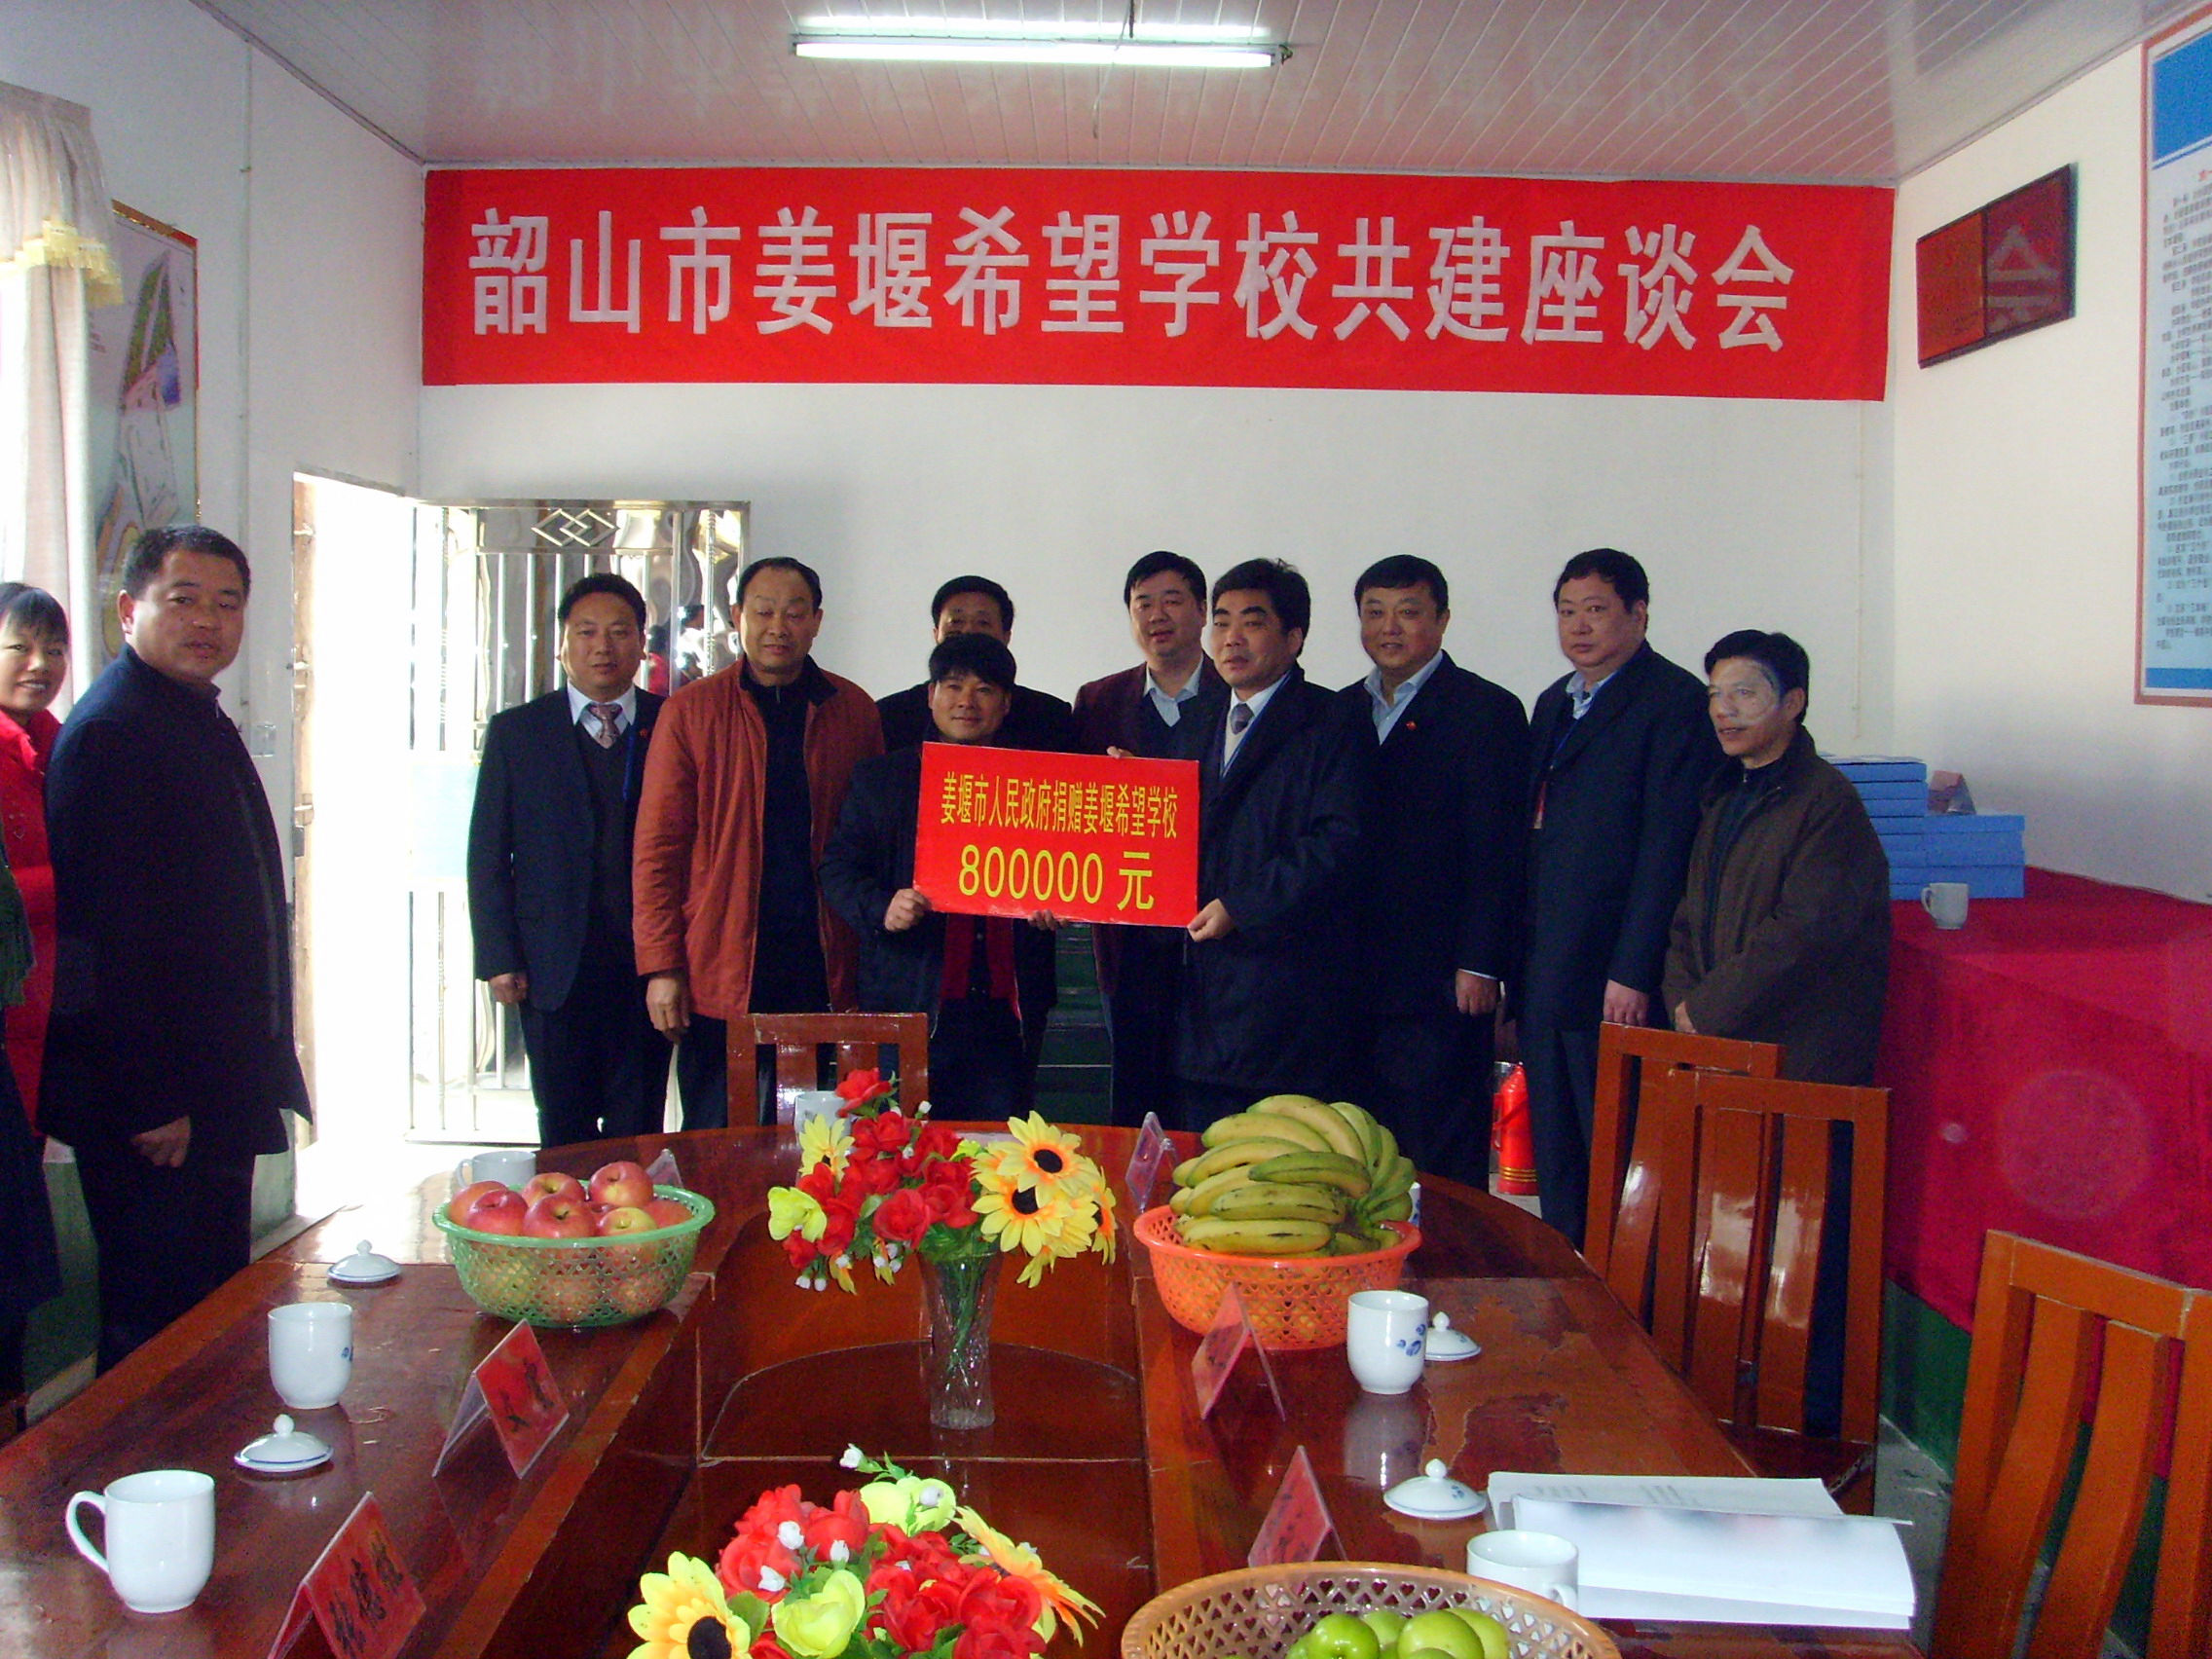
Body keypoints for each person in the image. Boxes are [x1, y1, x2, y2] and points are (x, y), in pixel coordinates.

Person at [44, 525, 311, 1371]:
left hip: (211, 1086)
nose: (209, 621)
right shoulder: (114, 732)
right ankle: (135, 1459)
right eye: (184, 599)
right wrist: (149, 1098)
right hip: (160, 1108)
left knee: (204, 1317)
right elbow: (104, 942)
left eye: (227, 603)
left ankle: (204, 1454)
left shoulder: (185, 712)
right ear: (130, 610)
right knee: (155, 1328)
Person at [1664, 629, 1890, 1436]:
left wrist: (1709, 1013)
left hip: (1802, 1059)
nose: (1724, 711)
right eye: (1715, 695)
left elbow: (1805, 933)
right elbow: (1689, 918)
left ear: (1793, 703)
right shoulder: (1726, 793)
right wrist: (1686, 1006)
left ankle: (1811, 1425)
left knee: (1808, 1241)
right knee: (1736, 1233)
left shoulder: (1827, 803)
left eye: (1745, 694)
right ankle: (1732, 1399)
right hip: (1728, 1049)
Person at [634, 556, 882, 1127]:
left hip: (825, 962)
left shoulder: (853, 711)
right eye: (764, 612)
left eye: (794, 613)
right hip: (719, 962)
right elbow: (657, 851)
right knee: (717, 1138)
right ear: (736, 616)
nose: (778, 627)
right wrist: (661, 966)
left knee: (824, 1140)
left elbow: (874, 843)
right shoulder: (691, 711)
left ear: (816, 621)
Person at [1519, 548, 1718, 1249]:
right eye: (1567, 611)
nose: (1579, 626)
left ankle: (1625, 1293)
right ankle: (1568, 1275)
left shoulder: (1675, 704)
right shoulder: (1554, 703)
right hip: (1549, 965)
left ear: (1638, 615)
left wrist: (1634, 969)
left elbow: (1668, 848)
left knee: (1618, 1145)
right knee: (1557, 1149)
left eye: (1597, 610)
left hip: (1613, 973)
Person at [1338, 556, 1529, 1189]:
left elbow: (1498, 848)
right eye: (1374, 612)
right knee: (1359, 1145)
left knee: (1438, 1144)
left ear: (1442, 620)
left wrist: (1481, 961)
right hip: (1351, 971)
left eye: (1409, 612)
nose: (1389, 628)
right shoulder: (1338, 711)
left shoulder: (1487, 710)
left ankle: (1448, 1254)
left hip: (1442, 975)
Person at [468, 573, 670, 1147]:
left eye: (619, 632)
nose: (602, 647)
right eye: (586, 632)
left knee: (639, 1126)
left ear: (641, 643)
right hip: (551, 967)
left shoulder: (672, 723)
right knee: (561, 1129)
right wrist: (499, 955)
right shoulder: (518, 732)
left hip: (646, 965)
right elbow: (488, 852)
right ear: (561, 644)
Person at [821, 633, 1059, 1117]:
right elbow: (838, 869)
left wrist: (1054, 905)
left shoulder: (1036, 784)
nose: (966, 701)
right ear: (930, 696)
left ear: (1006, 704)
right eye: (952, 686)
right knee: (902, 1144)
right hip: (910, 1002)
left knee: (1000, 1149)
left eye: (984, 690)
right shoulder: (883, 780)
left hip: (1006, 1010)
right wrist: (883, 907)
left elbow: (1066, 874)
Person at [1173, 559, 1366, 1129]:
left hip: (1286, 990)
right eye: (1221, 621)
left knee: (1276, 1156)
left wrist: (1242, 906)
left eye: (1252, 622)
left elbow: (1337, 842)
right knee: (1199, 1153)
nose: (1231, 638)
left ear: (1294, 637)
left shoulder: (1334, 719)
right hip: (1198, 994)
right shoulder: (1197, 717)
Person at [1072, 551, 1227, 1126]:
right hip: (1128, 928)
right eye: (1143, 604)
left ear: (1202, 611)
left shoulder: (1238, 692)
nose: (1157, 616)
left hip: (1217, 925)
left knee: (1212, 1094)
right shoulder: (1098, 700)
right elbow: (1074, 809)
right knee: (1135, 1089)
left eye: (1172, 601)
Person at [0, 584, 68, 1128]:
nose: (40, 664)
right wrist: (71, 884)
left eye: (55, 650)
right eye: (19, 647)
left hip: (54, 1006)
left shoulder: (64, 745)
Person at [874, 575, 1077, 754]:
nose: (968, 632)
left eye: (983, 623)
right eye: (956, 622)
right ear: (936, 634)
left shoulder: (1049, 718)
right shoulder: (890, 716)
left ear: (1006, 636)